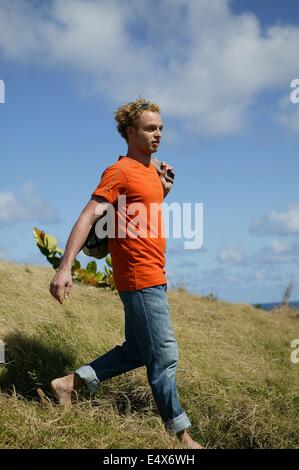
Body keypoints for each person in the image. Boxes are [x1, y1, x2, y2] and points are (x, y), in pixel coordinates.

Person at [49, 98, 203, 449]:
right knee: (164, 354)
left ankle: (68, 384)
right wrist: (64, 267)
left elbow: (138, 214)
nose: (158, 134)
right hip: (138, 277)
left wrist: (163, 190)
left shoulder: (151, 172)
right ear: (130, 132)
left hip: (155, 273)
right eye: (150, 128)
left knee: (137, 350)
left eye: (161, 128)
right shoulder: (118, 172)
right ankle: (181, 436)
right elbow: (89, 215)